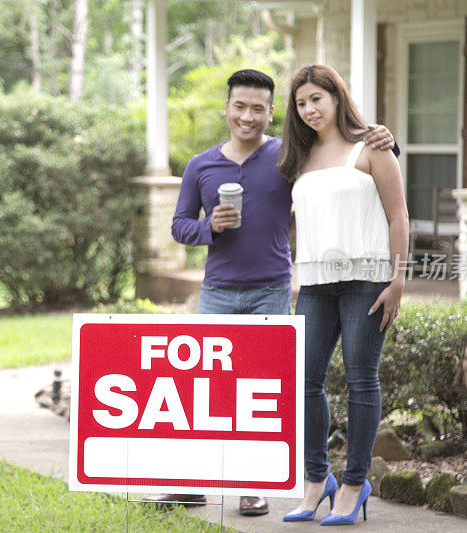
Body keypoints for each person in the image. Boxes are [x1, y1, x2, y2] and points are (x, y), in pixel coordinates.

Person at [142, 69, 396, 517]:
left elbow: (345, 172)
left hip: (274, 290)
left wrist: (384, 137)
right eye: (239, 106)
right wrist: (208, 227)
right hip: (219, 291)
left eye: (259, 108)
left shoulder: (289, 154)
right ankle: (190, 482)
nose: (248, 116)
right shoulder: (203, 164)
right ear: (226, 108)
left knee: (267, 390)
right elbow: (180, 225)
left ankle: (252, 486)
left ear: (271, 112)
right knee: (207, 389)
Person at [278, 64, 408, 525]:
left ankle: (354, 483)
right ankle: (317, 480)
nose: (310, 109)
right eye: (301, 103)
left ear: (336, 96)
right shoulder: (297, 156)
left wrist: (398, 280)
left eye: (317, 98)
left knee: (360, 380)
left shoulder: (372, 146)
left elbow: (398, 216)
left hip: (368, 280)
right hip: (315, 284)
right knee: (304, 380)